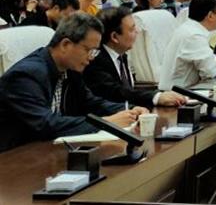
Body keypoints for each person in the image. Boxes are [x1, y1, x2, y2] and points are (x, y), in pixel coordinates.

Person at [0, 13, 143, 152]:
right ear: (65, 44)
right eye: (89, 50)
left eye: (94, 52)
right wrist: (106, 123)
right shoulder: (26, 75)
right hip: (15, 155)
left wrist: (130, 110)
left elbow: (91, 102)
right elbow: (46, 124)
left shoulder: (71, 69)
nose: (91, 57)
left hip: (51, 148)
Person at [85, 7, 186, 108]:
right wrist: (156, 97)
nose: (137, 31)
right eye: (132, 29)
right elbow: (115, 92)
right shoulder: (94, 60)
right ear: (114, 37)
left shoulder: (121, 55)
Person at [158, 0, 216, 90]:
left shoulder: (188, 28)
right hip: (178, 95)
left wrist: (215, 66)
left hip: (182, 90)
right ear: (210, 16)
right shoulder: (194, 35)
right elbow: (210, 72)